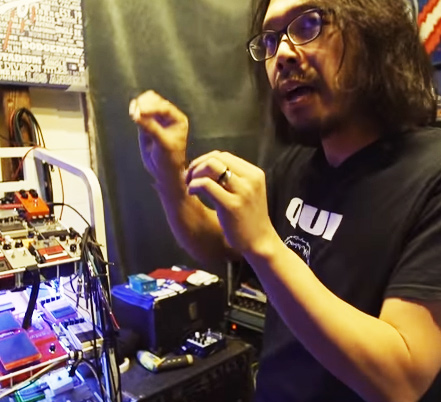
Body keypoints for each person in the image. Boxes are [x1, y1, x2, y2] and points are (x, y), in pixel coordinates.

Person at [129, 0, 441, 400]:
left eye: (308, 24)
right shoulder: (300, 164)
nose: (283, 55)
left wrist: (265, 245)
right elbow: (218, 241)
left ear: (373, 32)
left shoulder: (431, 175)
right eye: (271, 40)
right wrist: (169, 173)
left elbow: (401, 379)